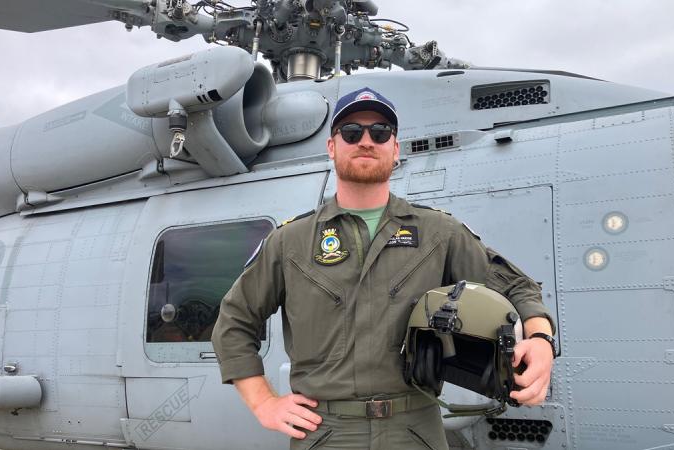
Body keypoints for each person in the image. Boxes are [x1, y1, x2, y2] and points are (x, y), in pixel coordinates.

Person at [212, 87, 556, 450]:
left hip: (415, 430)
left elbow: (518, 287)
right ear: (332, 147)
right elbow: (234, 320)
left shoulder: (439, 233)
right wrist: (263, 401)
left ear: (394, 148)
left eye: (379, 133)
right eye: (351, 133)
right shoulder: (290, 241)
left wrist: (540, 340)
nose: (365, 141)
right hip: (326, 432)